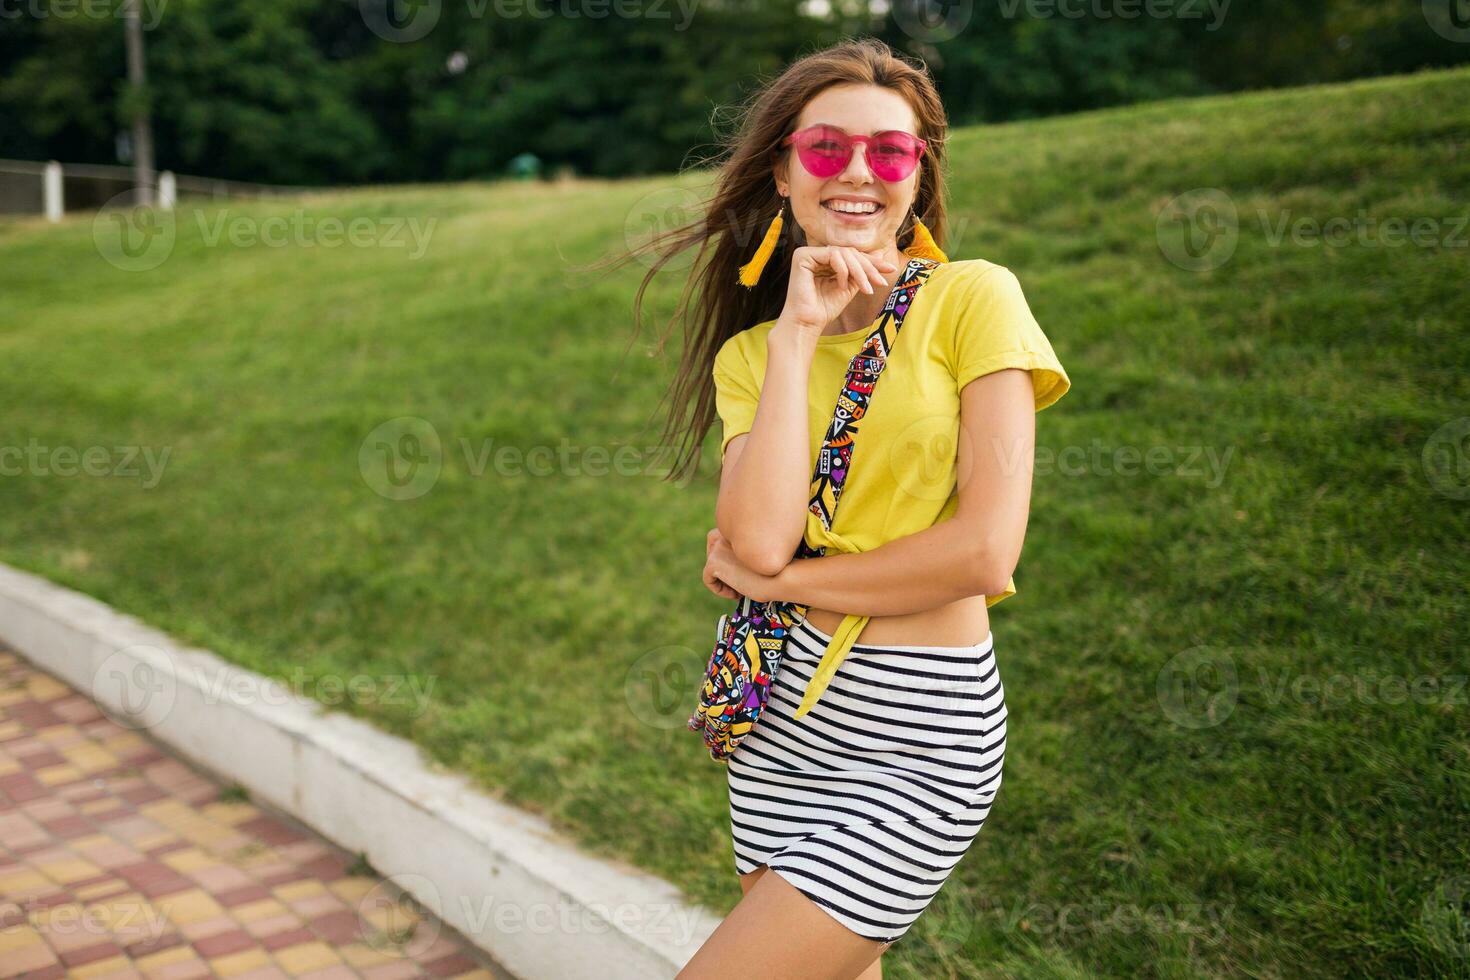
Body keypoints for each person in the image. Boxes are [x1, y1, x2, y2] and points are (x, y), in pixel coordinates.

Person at [610, 36, 1071, 980]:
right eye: (826, 149)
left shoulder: (974, 300)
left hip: (918, 741)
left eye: (889, 152)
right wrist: (795, 337)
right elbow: (762, 538)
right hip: (779, 730)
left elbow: (985, 551)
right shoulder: (754, 355)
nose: (856, 173)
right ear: (783, 170)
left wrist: (773, 582)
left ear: (918, 175)